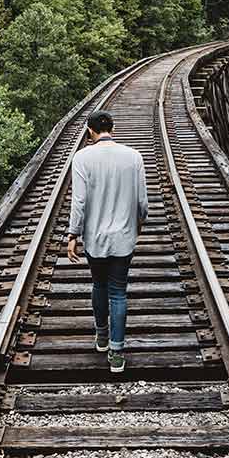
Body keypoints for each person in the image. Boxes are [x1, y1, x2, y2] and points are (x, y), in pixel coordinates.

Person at [65, 110, 148, 373]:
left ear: (90, 131)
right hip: (124, 238)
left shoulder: (81, 158)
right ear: (113, 128)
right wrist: (140, 222)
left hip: (95, 238)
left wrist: (73, 235)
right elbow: (142, 201)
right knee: (118, 291)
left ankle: (101, 337)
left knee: (98, 284)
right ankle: (116, 353)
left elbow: (78, 202)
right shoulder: (134, 157)